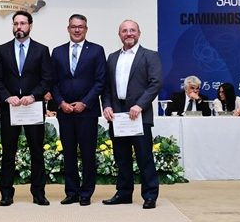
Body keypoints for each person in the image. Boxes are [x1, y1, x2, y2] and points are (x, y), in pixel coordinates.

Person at [0, 11, 53, 206]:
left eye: (23, 23)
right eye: (16, 23)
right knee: (9, 152)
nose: (19, 27)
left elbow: (47, 79)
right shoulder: (2, 50)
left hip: (33, 107)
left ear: (30, 26)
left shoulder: (42, 50)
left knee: (36, 151)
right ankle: (6, 193)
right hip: (10, 108)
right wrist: (7, 97)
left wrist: (33, 96)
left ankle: (38, 193)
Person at [101, 20, 162, 209]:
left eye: (132, 30)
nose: (129, 34)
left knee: (144, 157)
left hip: (139, 116)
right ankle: (124, 193)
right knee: (122, 157)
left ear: (139, 33)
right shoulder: (111, 57)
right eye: (125, 31)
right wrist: (107, 106)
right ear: (119, 34)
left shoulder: (150, 56)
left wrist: (140, 105)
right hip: (117, 116)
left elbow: (156, 83)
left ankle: (150, 195)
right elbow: (106, 87)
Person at [50, 14, 106, 206]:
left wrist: (85, 102)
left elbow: (100, 81)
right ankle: (72, 192)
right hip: (65, 112)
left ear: (86, 29)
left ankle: (86, 193)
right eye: (73, 27)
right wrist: (61, 102)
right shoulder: (57, 52)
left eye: (80, 27)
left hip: (87, 112)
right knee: (69, 153)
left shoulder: (97, 51)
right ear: (68, 29)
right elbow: (53, 82)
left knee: (88, 153)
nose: (76, 30)